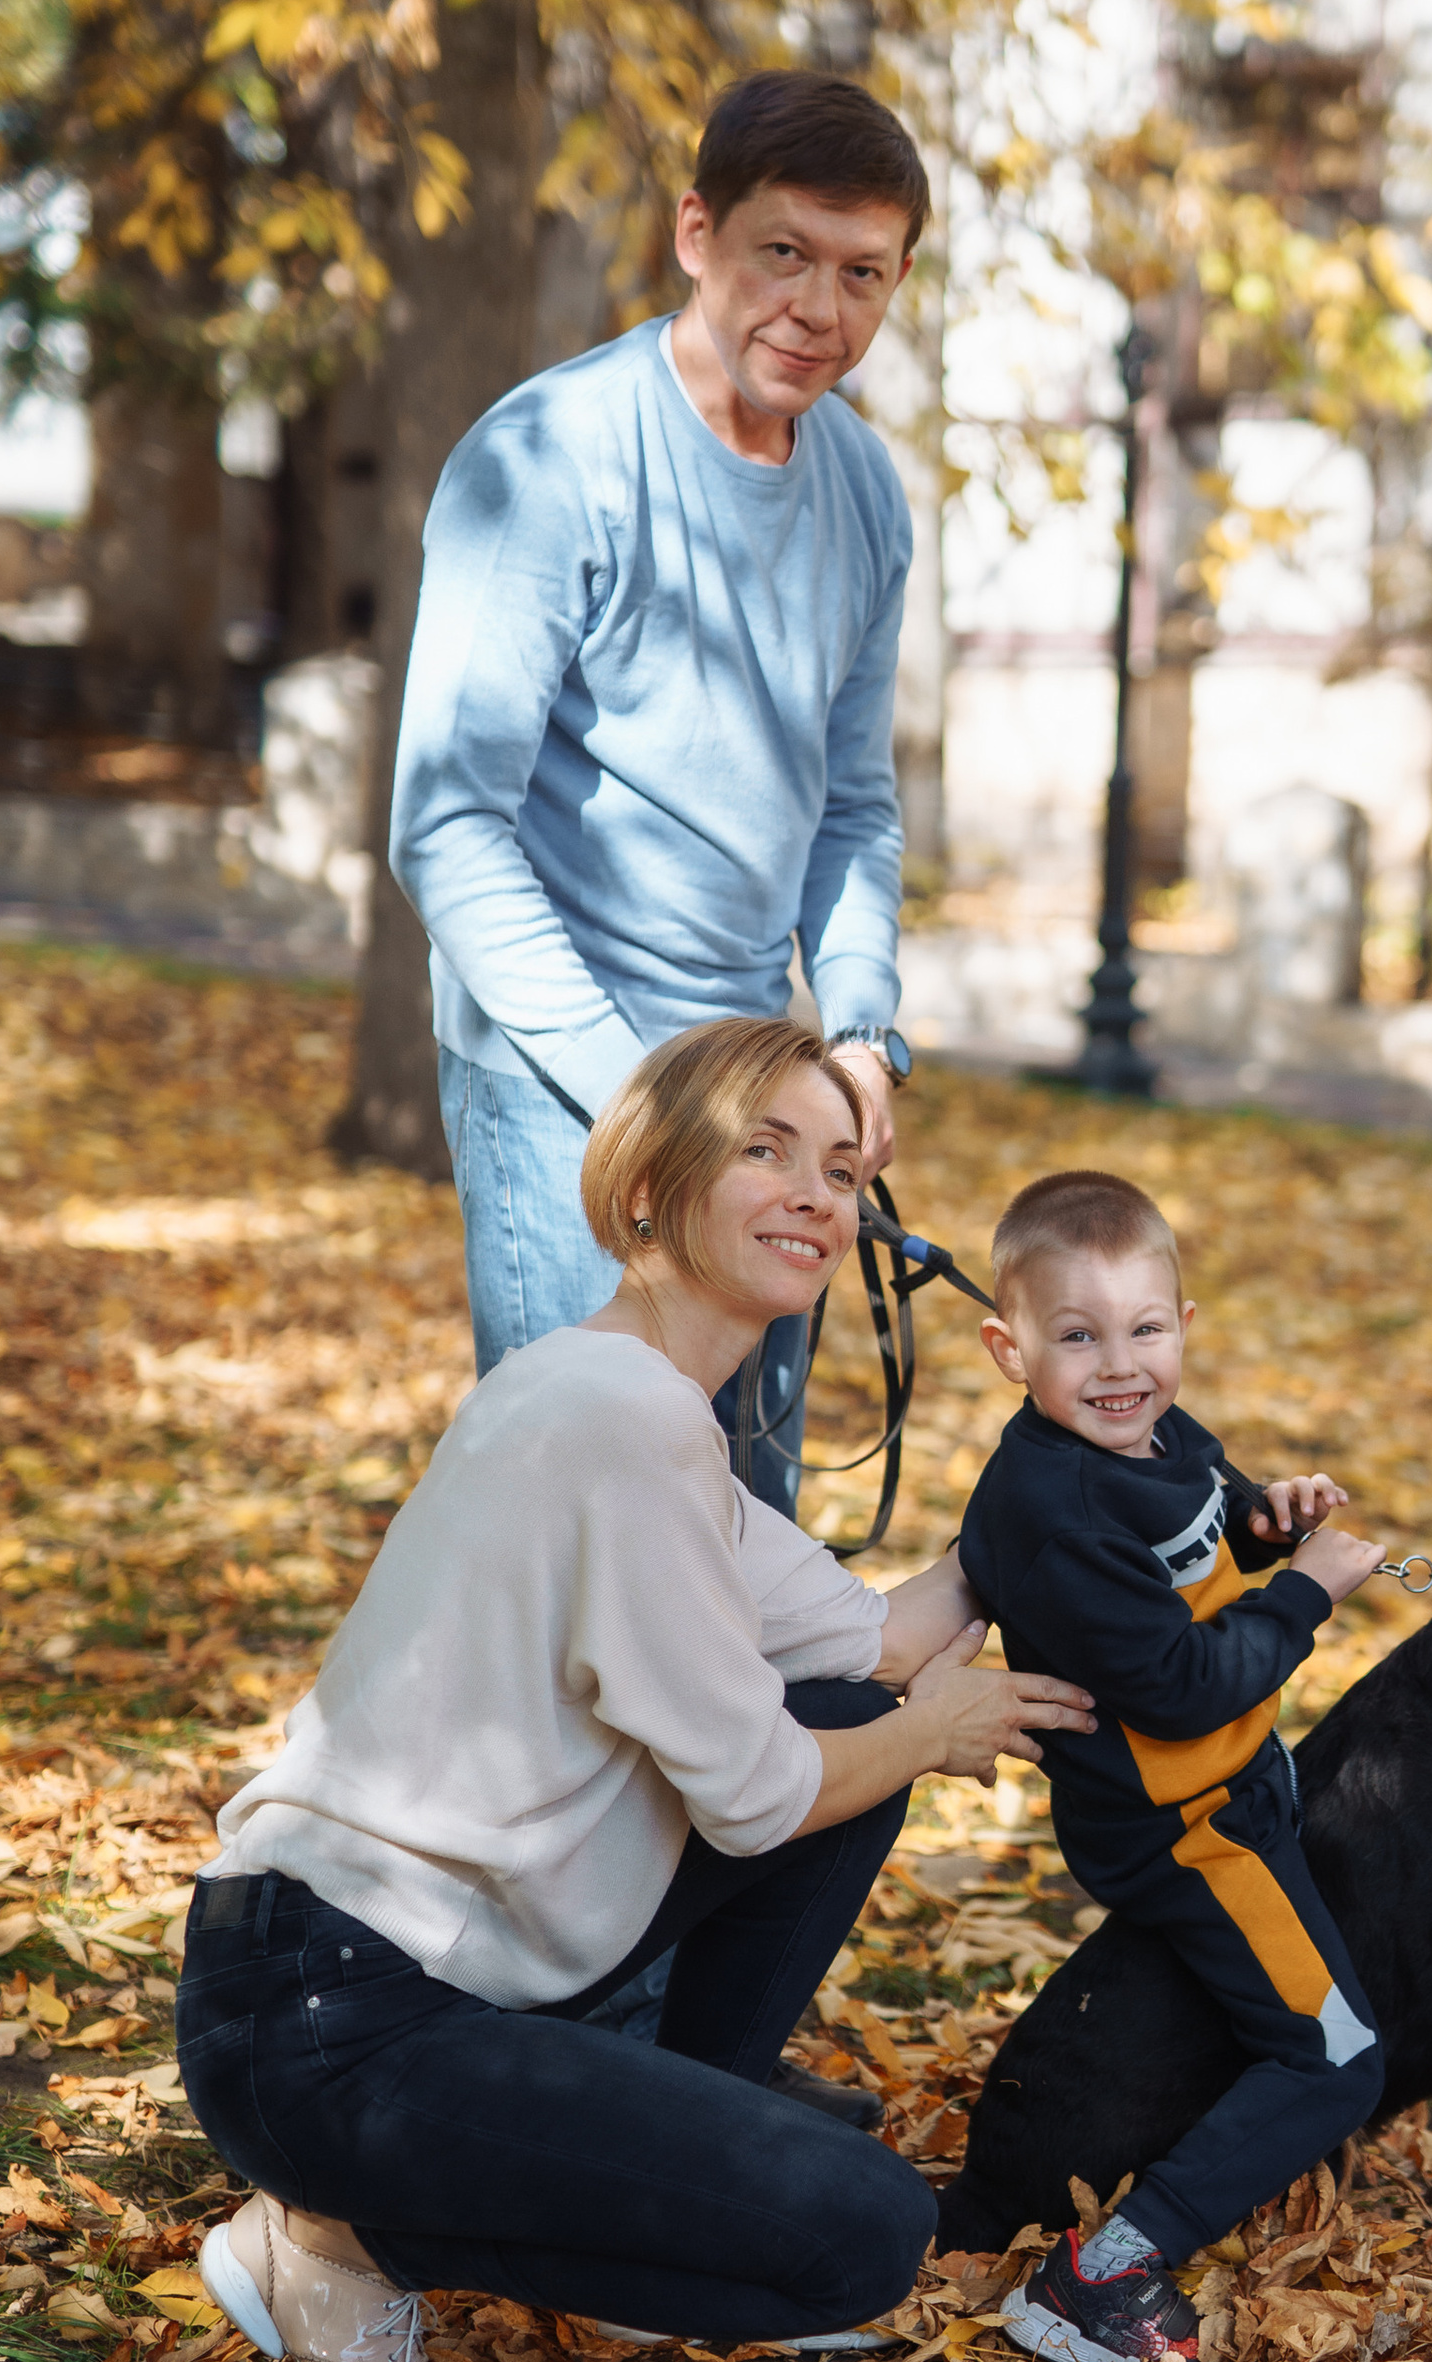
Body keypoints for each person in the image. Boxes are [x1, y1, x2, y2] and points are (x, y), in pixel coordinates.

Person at [178, 1020, 1095, 2362]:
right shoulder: (627, 1426)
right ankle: (338, 2244)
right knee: (860, 2235)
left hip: (337, 1988)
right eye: (765, 1151)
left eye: (842, 1170)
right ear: (653, 1184)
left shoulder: (642, 1416)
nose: (815, 1194)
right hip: (331, 2020)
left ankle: (644, 2200)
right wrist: (932, 1733)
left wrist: (1069, 1451)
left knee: (853, 1709)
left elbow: (891, 1640)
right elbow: (758, 1796)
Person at [391, 66, 926, 1506]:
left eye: (861, 274)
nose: (818, 309)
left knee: (743, 1529)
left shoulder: (866, 492)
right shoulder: (548, 460)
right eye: (785, 256)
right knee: (589, 1526)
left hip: (763, 1092)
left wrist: (862, 1035)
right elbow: (446, 826)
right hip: (571, 1085)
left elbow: (854, 806)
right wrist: (644, 1108)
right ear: (698, 233)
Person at [955, 1172, 1389, 2362]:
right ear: (1010, 1348)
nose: (1118, 1364)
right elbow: (1183, 1680)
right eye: (1076, 1337)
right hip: (1185, 1822)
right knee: (1337, 2057)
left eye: (1145, 1329)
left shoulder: (1146, 1430)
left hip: (1235, 1786)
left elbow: (1200, 1521)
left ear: (1183, 1328)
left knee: (1306, 2005)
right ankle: (1106, 2269)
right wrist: (1308, 1594)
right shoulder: (1053, 1507)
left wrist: (1266, 1524)